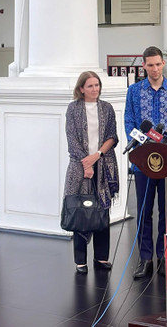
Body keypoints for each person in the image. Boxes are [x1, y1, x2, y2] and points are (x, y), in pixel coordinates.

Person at [124, 46, 167, 279]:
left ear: (163, 64)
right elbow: (129, 121)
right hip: (143, 162)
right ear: (144, 66)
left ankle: (163, 256)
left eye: (158, 64)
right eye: (150, 65)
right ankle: (145, 258)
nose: (155, 68)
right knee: (143, 211)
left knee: (166, 211)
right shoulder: (133, 91)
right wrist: (142, 148)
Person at [64, 71, 120, 274]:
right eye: (90, 86)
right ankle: (81, 260)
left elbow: (112, 137)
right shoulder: (73, 109)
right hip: (79, 168)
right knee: (81, 210)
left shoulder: (106, 108)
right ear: (81, 89)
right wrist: (86, 165)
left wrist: (96, 156)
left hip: (103, 164)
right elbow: (72, 140)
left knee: (101, 209)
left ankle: (102, 257)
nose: (94, 89)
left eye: (97, 85)